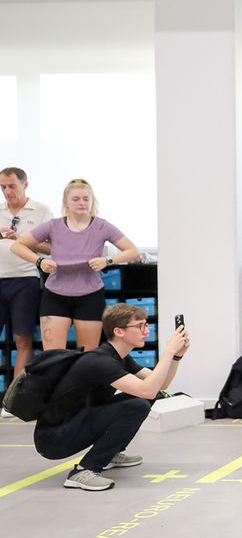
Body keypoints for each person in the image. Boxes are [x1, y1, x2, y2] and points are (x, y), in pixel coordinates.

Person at [33, 303, 190, 491]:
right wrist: (169, 351)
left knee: (148, 397)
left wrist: (176, 358)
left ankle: (110, 453)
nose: (146, 331)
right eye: (140, 326)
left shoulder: (120, 357)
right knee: (138, 404)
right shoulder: (100, 361)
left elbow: (159, 385)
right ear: (119, 331)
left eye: (146, 325)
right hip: (55, 438)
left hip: (75, 423)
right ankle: (84, 470)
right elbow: (146, 390)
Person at [10, 179, 140, 352]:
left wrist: (107, 261)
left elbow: (132, 251)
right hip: (55, 296)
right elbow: (17, 245)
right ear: (66, 202)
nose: (82, 203)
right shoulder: (53, 226)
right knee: (53, 357)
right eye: (76, 199)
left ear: (92, 201)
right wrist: (40, 261)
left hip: (90, 296)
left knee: (87, 357)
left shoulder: (102, 226)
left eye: (86, 199)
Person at [0, 167, 53, 376]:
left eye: (12, 186)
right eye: (3, 187)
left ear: (25, 184)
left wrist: (21, 240)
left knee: (22, 339)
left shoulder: (41, 210)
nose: (7, 191)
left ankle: (14, 401)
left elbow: (52, 248)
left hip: (25, 280)